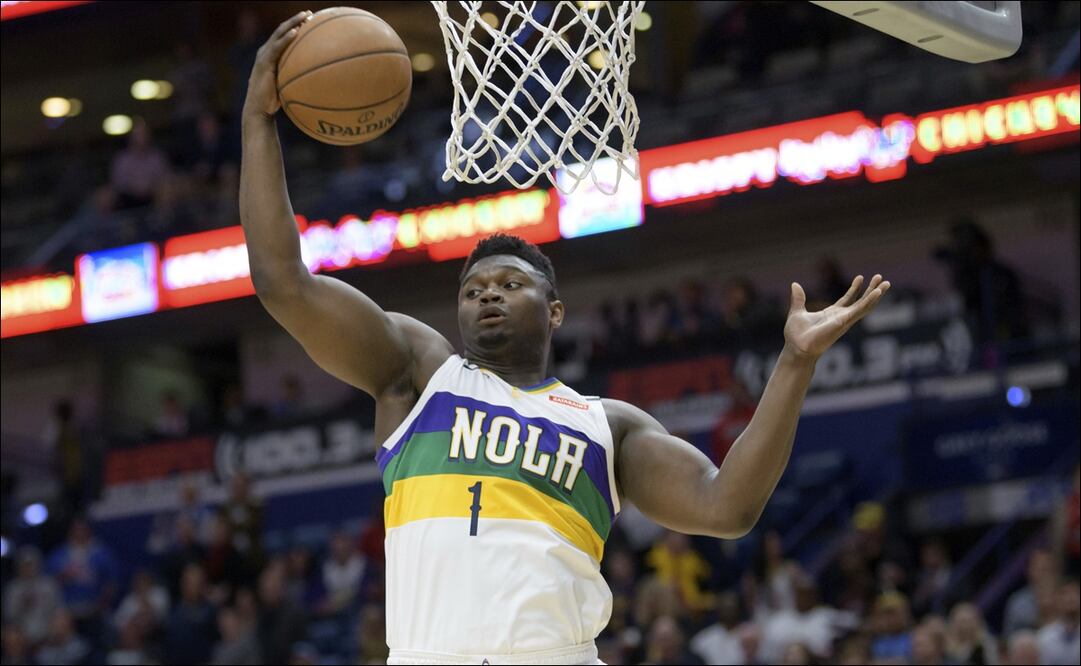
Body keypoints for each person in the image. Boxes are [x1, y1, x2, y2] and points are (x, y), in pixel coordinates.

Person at [239, 12, 892, 663]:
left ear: (554, 312)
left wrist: (794, 363)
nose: (486, 293)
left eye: (507, 284)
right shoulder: (417, 375)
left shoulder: (606, 426)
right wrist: (257, 119)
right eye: (472, 289)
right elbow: (282, 283)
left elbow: (726, 507)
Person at [2, 547, 61, 647]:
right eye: (25, 565)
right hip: (21, 635)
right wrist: (22, 604)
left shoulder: (49, 585)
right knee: (9, 634)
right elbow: (9, 616)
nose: (28, 568)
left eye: (31, 564)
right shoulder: (13, 588)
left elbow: (58, 610)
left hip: (47, 632)